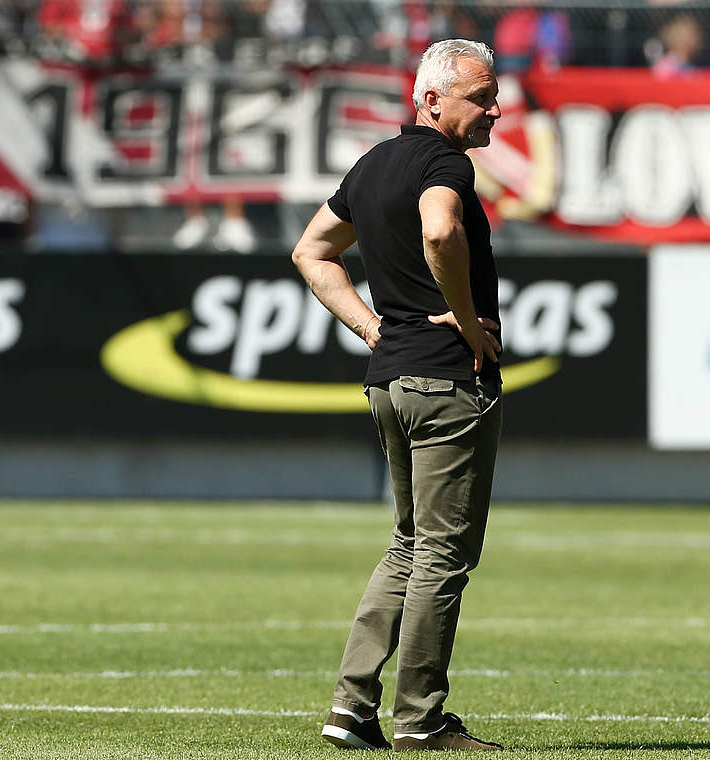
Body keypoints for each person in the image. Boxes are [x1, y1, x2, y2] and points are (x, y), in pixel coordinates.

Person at [290, 38, 505, 752]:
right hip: (445, 380)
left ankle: (351, 709)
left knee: (409, 548)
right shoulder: (446, 163)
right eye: (480, 97)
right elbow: (440, 229)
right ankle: (420, 719)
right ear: (432, 99)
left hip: (391, 380)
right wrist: (471, 324)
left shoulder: (373, 163)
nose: (494, 109)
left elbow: (312, 251)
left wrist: (373, 328)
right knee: (442, 554)